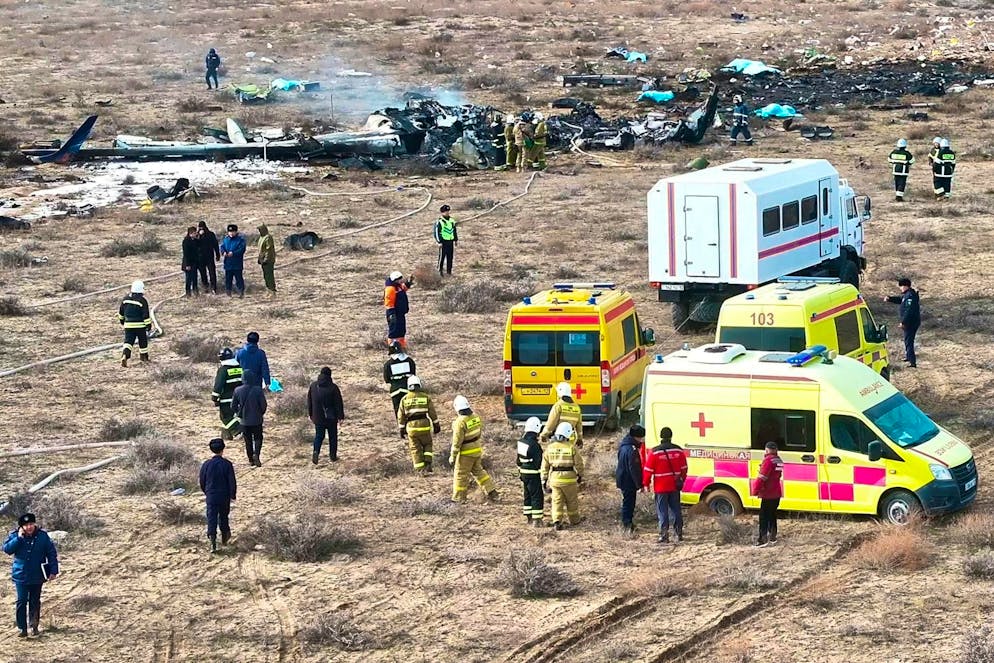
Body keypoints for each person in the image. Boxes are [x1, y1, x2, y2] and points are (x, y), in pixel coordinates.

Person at [3, 513, 58, 638]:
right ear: (21, 527)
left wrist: (53, 570)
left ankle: (34, 626)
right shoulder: (15, 535)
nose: (29, 527)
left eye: (31, 524)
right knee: (21, 601)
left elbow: (51, 553)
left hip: (37, 575)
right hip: (20, 575)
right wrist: (18, 539)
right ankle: (22, 628)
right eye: (26, 525)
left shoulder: (42, 536)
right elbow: (7, 549)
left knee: (35, 601)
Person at [642, 427, 688, 543]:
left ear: (661, 436)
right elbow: (684, 468)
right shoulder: (679, 451)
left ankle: (664, 535)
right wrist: (681, 479)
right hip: (674, 486)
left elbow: (648, 471)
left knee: (662, 511)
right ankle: (679, 533)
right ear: (671, 436)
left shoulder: (655, 452)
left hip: (661, 487)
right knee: (676, 509)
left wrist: (646, 484)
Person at [450, 395, 498, 503]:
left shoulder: (460, 422)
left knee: (461, 474)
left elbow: (457, 441)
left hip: (465, 454)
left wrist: (452, 456)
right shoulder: (475, 417)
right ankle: (492, 491)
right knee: (479, 472)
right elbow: (479, 433)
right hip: (476, 449)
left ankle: (459, 498)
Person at [540, 422, 584, 530]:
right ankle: (574, 520)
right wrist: (580, 475)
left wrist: (544, 479)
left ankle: (556, 521)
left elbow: (544, 465)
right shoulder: (571, 448)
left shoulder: (550, 448)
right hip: (569, 479)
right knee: (572, 500)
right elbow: (579, 463)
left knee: (556, 501)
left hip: (555, 480)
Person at [199, 438, 236, 553]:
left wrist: (206, 492)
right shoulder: (227, 464)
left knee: (211, 517)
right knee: (224, 516)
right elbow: (232, 481)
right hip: (224, 495)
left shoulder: (206, 464)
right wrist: (232, 494)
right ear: (223, 449)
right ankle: (224, 537)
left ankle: (213, 540)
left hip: (211, 494)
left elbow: (202, 480)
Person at [397, 375, 440, 473]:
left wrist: (401, 428)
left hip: (411, 428)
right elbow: (432, 412)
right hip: (424, 426)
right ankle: (428, 463)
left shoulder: (404, 399)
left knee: (415, 449)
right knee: (428, 444)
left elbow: (401, 415)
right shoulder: (426, 397)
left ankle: (420, 470)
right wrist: (436, 424)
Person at [308, 367, 345, 464]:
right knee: (332, 437)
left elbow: (309, 402)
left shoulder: (313, 386)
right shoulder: (333, 387)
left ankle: (316, 451)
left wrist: (310, 414)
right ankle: (333, 456)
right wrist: (340, 417)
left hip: (317, 417)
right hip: (331, 417)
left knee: (319, 436)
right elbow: (338, 403)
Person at [232, 369, 267, 467]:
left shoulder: (237, 390)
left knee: (248, 440)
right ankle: (257, 454)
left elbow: (233, 406)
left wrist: (239, 412)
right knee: (258, 438)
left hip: (244, 421)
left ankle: (250, 459)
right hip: (257, 419)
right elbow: (263, 405)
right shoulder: (258, 390)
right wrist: (260, 413)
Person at [883, 278, 921, 368]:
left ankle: (912, 362)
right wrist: (890, 299)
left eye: (901, 286)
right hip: (910, 322)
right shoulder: (907, 295)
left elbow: (909, 311)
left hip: (911, 323)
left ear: (905, 286)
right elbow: (900, 300)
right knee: (907, 340)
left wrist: (903, 322)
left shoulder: (910, 296)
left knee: (909, 341)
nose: (901, 288)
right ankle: (909, 357)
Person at [752, 441, 784, 547]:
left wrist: (755, 490)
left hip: (768, 493)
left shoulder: (768, 460)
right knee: (772, 515)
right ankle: (773, 538)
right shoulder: (778, 460)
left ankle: (763, 540)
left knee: (763, 517)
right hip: (777, 492)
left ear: (767, 450)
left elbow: (762, 477)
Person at [616, 424, 645, 534]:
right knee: (629, 503)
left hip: (623, 478)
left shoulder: (623, 446)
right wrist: (639, 484)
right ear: (636, 437)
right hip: (628, 481)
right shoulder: (632, 450)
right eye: (641, 438)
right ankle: (627, 524)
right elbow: (634, 469)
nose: (642, 440)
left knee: (627, 502)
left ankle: (627, 523)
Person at [517, 416, 545, 527]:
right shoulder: (535, 445)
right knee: (536, 496)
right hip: (533, 474)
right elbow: (539, 462)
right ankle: (537, 521)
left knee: (527, 494)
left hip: (523, 473)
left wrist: (520, 471)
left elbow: (518, 460)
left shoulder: (521, 442)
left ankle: (528, 517)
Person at [211, 347, 243, 440]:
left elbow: (218, 385)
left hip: (226, 399)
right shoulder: (240, 368)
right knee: (237, 415)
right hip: (240, 398)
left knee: (225, 417)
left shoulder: (223, 370)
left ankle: (237, 431)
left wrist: (215, 398)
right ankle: (227, 435)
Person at [118, 279, 151, 368]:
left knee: (128, 342)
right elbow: (146, 315)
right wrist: (148, 326)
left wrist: (122, 321)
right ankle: (144, 357)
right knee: (142, 341)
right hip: (140, 326)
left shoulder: (125, 299)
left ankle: (125, 355)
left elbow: (121, 312)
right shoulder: (142, 301)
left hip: (128, 325)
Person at [540, 382, 583, 446]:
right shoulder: (576, 407)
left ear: (560, 392)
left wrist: (544, 434)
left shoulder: (558, 406)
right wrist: (579, 438)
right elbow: (579, 425)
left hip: (558, 438)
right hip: (571, 439)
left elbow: (551, 422)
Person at [383, 341, 417, 416]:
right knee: (410, 409)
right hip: (408, 389)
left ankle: (401, 426)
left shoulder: (388, 364)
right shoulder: (409, 361)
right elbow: (413, 375)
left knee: (398, 411)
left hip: (395, 391)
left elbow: (386, 379)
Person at [384, 270, 413, 349]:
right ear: (395, 280)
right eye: (399, 279)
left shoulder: (398, 286)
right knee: (394, 332)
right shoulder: (390, 289)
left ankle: (401, 347)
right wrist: (391, 315)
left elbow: (403, 288)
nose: (401, 281)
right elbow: (389, 303)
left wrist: (408, 284)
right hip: (394, 314)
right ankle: (392, 348)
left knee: (401, 331)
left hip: (400, 313)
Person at [220, 224, 246, 298]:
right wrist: (223, 252)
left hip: (237, 263)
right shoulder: (226, 239)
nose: (231, 233)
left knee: (239, 279)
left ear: (236, 232)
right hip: (228, 263)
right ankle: (228, 292)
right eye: (230, 231)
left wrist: (233, 253)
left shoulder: (240, 240)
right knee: (228, 279)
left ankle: (241, 292)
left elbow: (242, 249)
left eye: (233, 231)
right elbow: (222, 247)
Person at [433, 205, 458, 277]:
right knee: (442, 257)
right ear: (442, 212)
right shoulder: (439, 221)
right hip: (443, 242)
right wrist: (439, 242)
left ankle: (449, 271)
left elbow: (454, 230)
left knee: (450, 257)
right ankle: (439, 271)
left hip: (450, 241)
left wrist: (455, 240)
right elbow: (436, 232)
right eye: (445, 211)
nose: (447, 213)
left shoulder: (451, 220)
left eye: (448, 211)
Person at [196, 221, 220, 294]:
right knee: (203, 273)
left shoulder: (210, 234)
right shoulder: (197, 235)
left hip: (209, 257)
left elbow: (215, 245)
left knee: (212, 273)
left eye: (202, 227)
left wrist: (217, 254)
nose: (201, 229)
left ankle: (214, 287)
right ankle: (205, 286)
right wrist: (199, 236)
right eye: (200, 228)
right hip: (200, 258)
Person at [181, 226, 201, 297]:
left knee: (195, 277)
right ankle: (188, 292)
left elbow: (199, 244)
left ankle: (195, 290)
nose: (195, 234)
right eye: (194, 233)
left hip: (194, 262)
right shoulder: (186, 241)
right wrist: (187, 265)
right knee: (188, 278)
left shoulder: (195, 240)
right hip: (188, 263)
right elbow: (186, 254)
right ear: (190, 233)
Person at [257, 224, 276, 296]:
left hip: (268, 260)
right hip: (263, 259)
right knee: (265, 276)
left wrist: (266, 259)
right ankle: (268, 290)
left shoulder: (268, 237)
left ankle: (272, 291)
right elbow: (261, 250)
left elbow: (268, 249)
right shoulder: (262, 237)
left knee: (269, 276)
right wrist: (260, 258)